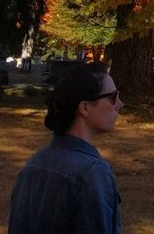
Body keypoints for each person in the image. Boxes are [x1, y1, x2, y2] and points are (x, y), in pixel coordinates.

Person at [8, 63, 124, 234]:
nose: (120, 104)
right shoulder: (91, 173)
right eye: (112, 97)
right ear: (85, 107)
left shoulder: (33, 164)